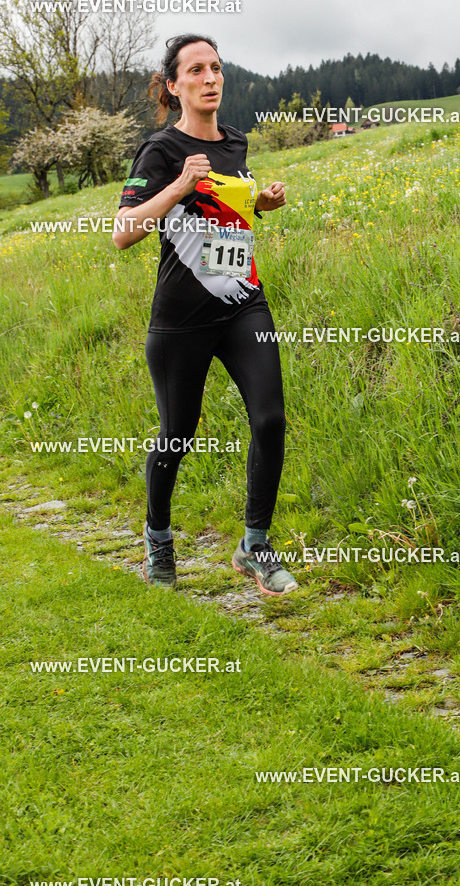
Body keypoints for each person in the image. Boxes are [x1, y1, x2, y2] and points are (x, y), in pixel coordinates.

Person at [113, 33, 297, 596]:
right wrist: (177, 186)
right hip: (182, 320)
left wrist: (259, 203)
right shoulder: (159, 151)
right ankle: (158, 540)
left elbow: (226, 211)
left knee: (269, 419)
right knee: (177, 435)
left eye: (216, 68)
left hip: (243, 303)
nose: (210, 78)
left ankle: (255, 545)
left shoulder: (236, 143)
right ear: (174, 86)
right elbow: (124, 232)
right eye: (196, 70)